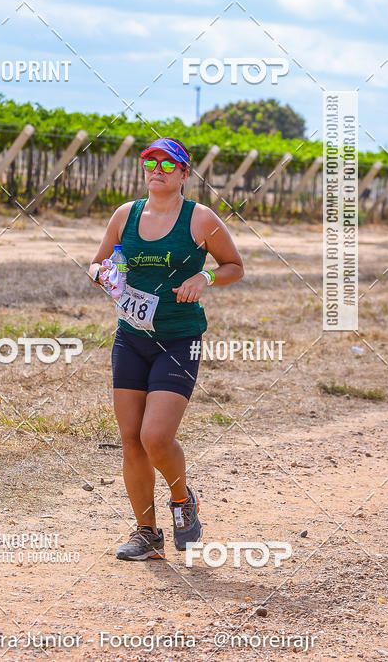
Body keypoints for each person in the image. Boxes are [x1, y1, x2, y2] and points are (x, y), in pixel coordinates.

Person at [88, 137, 244, 561]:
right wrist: (104, 273)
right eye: (149, 161)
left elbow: (234, 266)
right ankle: (146, 533)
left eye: (168, 163)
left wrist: (205, 279)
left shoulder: (201, 219)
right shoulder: (125, 215)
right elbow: (101, 262)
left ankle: (183, 500)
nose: (157, 168)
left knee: (156, 437)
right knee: (131, 440)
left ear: (184, 174)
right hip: (131, 337)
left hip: (178, 338)